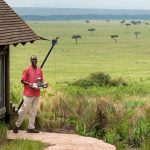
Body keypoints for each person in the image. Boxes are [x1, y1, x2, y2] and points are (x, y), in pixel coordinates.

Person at [13, 55, 44, 133]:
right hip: (28, 94)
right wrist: (29, 84)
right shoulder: (26, 70)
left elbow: (41, 81)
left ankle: (31, 128)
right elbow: (22, 80)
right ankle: (17, 125)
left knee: (34, 111)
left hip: (36, 93)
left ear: (37, 61)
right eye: (33, 60)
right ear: (31, 61)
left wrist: (43, 84)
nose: (34, 61)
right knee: (25, 110)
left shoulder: (39, 70)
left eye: (35, 60)